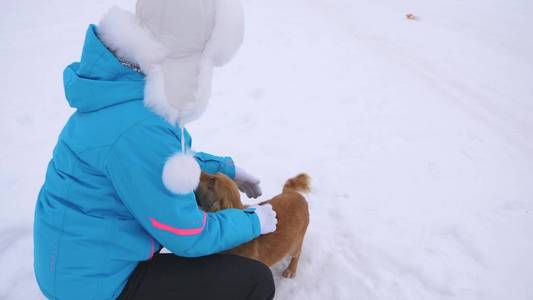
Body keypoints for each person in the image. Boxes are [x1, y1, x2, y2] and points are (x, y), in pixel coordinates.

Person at [33, 0, 278, 299]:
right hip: (94, 285)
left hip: (74, 262)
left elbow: (155, 163)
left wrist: (225, 168)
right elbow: (187, 235)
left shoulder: (121, 89)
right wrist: (252, 221)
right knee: (255, 281)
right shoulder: (142, 127)